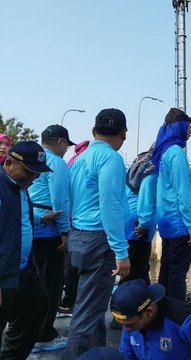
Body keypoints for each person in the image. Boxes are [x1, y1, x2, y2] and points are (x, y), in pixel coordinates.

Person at [65, 108, 131, 358]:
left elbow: (68, 199)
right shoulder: (111, 159)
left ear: (94, 132)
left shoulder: (79, 158)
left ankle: (96, 354)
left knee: (90, 309)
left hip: (78, 237)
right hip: (98, 240)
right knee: (86, 315)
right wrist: (121, 251)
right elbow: (110, 205)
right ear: (123, 133)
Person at [0, 141, 52, 359]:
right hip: (3, 276)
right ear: (9, 163)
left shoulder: (19, 186)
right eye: (29, 172)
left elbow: (16, 217)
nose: (33, 179)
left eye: (37, 174)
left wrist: (40, 218)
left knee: (38, 304)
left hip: (22, 272)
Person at [28, 125, 75, 353]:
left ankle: (32, 333)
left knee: (35, 285)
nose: (66, 149)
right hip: (50, 234)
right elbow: (60, 200)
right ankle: (44, 336)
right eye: (67, 144)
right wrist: (65, 233)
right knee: (52, 286)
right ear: (59, 142)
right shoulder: (55, 162)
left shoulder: (32, 159)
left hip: (32, 229)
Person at [110, 279, 191, 360]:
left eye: (130, 325)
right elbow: (126, 354)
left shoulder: (180, 318)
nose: (126, 329)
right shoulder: (130, 321)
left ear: (149, 312)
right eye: (123, 325)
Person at [151, 108, 191, 301]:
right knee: (178, 275)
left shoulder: (162, 152)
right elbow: (183, 193)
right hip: (179, 223)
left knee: (166, 271)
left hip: (166, 223)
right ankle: (176, 318)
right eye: (189, 125)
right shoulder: (176, 153)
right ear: (180, 126)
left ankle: (162, 312)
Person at [110, 145, 157, 330]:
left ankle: (138, 314)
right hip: (138, 227)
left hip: (128, 224)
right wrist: (145, 223)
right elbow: (146, 196)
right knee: (135, 274)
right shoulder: (151, 168)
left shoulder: (138, 164)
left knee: (137, 273)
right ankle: (121, 316)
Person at [58, 140, 90, 316]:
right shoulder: (77, 165)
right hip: (78, 225)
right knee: (75, 269)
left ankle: (69, 301)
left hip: (73, 224)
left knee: (71, 267)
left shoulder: (72, 164)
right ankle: (71, 302)